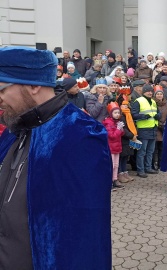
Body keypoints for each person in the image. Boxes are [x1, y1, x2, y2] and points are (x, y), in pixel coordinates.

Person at [0, 46, 111, 269]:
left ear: (33, 85)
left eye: (2, 89)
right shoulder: (16, 128)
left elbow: (84, 235)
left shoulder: (80, 135)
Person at [131, 84, 161, 178]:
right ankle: (141, 170)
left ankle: (148, 168)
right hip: (143, 129)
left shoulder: (153, 101)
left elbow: (158, 112)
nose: (150, 92)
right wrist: (143, 117)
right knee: (142, 152)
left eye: (151, 91)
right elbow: (134, 114)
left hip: (153, 128)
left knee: (150, 151)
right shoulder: (138, 101)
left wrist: (158, 116)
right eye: (148, 91)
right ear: (143, 92)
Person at [103, 102, 126, 191]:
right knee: (111, 165)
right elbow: (112, 136)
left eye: (118, 113)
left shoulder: (117, 122)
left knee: (116, 165)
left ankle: (115, 179)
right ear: (111, 113)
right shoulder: (108, 123)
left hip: (117, 147)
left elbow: (121, 134)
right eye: (115, 113)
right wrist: (118, 129)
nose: (117, 115)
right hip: (111, 147)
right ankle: (109, 182)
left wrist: (121, 129)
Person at [152, 87, 167, 170]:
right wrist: (159, 124)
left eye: (161, 94)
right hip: (155, 127)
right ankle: (153, 164)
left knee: (161, 148)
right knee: (154, 149)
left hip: (164, 128)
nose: (159, 95)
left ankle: (160, 164)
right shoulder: (152, 103)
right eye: (158, 94)